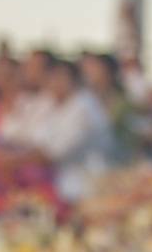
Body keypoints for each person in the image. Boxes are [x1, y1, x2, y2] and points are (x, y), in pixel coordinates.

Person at [34, 58, 112, 202]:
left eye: (60, 77)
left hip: (89, 185)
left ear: (73, 79)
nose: (55, 83)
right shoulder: (52, 104)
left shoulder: (83, 105)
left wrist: (13, 159)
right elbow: (36, 142)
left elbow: (54, 153)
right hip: (64, 184)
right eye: (52, 77)